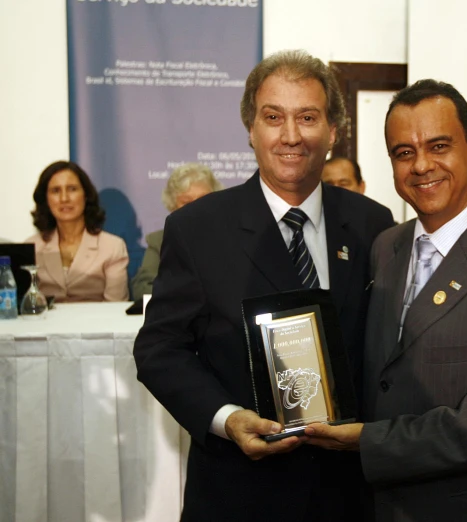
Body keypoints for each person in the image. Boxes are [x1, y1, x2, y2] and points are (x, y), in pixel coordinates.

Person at [133, 50, 395, 522]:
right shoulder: (197, 228)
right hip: (240, 490)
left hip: (350, 491)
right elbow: (159, 349)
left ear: (333, 132)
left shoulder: (373, 223)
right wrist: (226, 419)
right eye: (273, 117)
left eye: (308, 117)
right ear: (251, 131)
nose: (290, 135)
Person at [304, 80, 467, 522]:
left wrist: (370, 442)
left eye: (439, 145)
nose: (422, 165)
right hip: (382, 504)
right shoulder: (384, 247)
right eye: (404, 153)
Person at [27, 161, 129, 302]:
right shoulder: (32, 247)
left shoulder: (112, 246)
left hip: (98, 323)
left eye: (72, 189)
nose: (64, 198)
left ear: (86, 195)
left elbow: (116, 306)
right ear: (46, 199)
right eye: (56, 191)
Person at [131, 163, 222, 300]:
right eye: (187, 202)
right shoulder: (158, 241)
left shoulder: (230, 236)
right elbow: (142, 289)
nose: (196, 208)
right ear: (172, 206)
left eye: (204, 199)